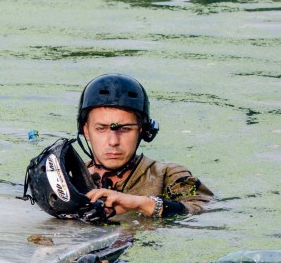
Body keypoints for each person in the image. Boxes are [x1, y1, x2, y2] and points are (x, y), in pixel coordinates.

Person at [76, 73, 213, 218]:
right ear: (86, 131)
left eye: (125, 129)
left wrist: (142, 204)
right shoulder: (67, 181)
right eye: (101, 129)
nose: (113, 141)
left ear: (142, 131)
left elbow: (205, 209)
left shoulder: (168, 176)